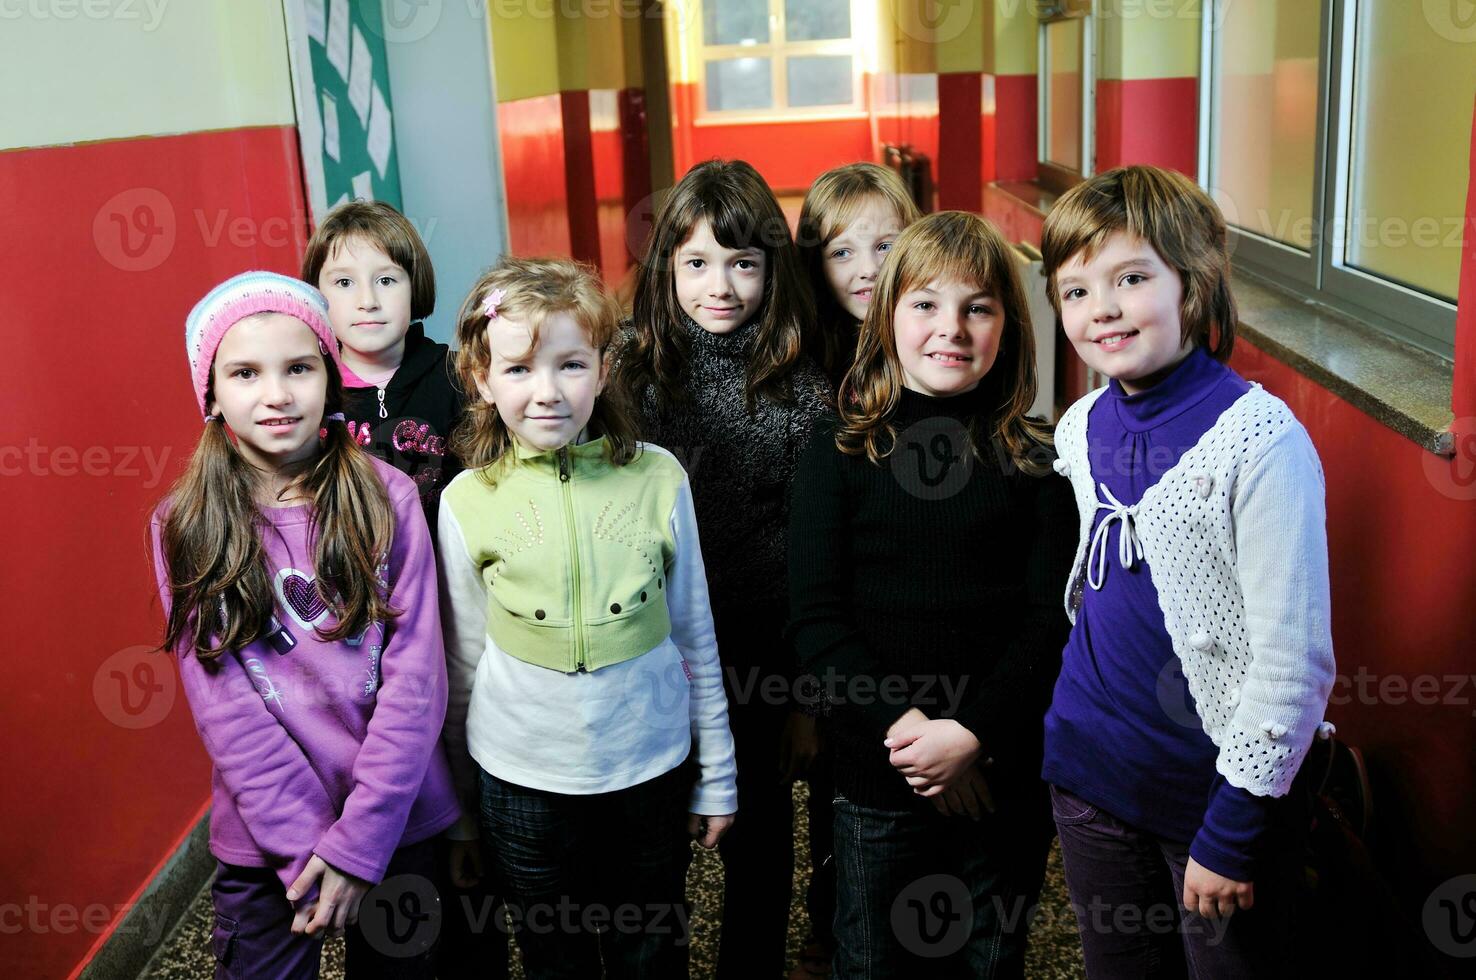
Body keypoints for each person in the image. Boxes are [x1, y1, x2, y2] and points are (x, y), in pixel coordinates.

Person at [1039, 164, 1337, 978]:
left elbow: (1295, 662)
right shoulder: (1079, 426)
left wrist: (1234, 827)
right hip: (1090, 774)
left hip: (1211, 800)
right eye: (1074, 290)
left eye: (1131, 278)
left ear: (1193, 283)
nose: (1101, 308)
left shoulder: (1261, 442)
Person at [788, 211, 1076, 978]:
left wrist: (971, 737)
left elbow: (1051, 621)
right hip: (878, 770)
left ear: (1008, 326)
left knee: (989, 955)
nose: (951, 328)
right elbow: (818, 623)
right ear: (887, 320)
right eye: (926, 304)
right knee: (873, 957)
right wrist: (914, 738)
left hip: (1001, 768)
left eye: (977, 307)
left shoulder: (1040, 459)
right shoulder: (839, 450)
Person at [150, 271, 459, 977]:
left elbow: (415, 682)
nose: (277, 394)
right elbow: (226, 709)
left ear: (329, 373)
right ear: (211, 392)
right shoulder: (183, 526)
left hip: (397, 817)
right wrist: (310, 849)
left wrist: (361, 841)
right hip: (268, 840)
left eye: (298, 367)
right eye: (245, 373)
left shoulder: (390, 497)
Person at [437, 256, 738, 979]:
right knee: (552, 954)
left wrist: (718, 775)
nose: (547, 393)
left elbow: (696, 634)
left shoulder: (661, 476)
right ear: (481, 379)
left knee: (652, 946)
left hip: (647, 770)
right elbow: (462, 662)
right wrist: (464, 810)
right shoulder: (465, 500)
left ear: (604, 370)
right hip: (520, 779)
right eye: (517, 370)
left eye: (570, 365)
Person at [612, 158, 832, 980]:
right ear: (666, 265)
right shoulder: (625, 376)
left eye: (744, 263)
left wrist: (806, 699)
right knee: (651, 851)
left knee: (761, 839)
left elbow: (813, 560)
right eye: (697, 263)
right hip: (647, 656)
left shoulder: (803, 389)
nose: (722, 286)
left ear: (773, 269)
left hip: (761, 661)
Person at [302, 200, 464, 524]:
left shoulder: (461, 378)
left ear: (414, 285)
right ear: (317, 295)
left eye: (386, 281)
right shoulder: (309, 391)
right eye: (344, 283)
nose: (368, 302)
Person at [796, 161, 921, 388]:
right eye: (842, 252)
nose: (869, 270)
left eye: (885, 247)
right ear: (815, 264)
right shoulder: (805, 352)